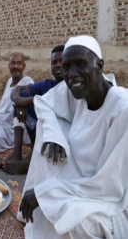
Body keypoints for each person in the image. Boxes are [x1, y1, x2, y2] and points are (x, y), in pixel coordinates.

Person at [19, 35, 128, 238]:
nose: (72, 74)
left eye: (81, 64)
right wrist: (54, 135)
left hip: (108, 198)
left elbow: (108, 187)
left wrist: (47, 193)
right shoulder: (77, 91)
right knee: (47, 147)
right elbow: (43, 103)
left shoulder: (122, 108)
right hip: (79, 180)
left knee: (74, 220)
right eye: (67, 66)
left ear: (99, 66)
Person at [0, 45, 64, 175]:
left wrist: (31, 101)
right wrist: (21, 101)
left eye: (62, 62)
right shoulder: (48, 84)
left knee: (44, 112)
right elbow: (17, 91)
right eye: (54, 62)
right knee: (23, 98)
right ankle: (17, 154)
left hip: (57, 136)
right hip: (38, 132)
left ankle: (31, 160)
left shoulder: (73, 89)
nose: (57, 65)